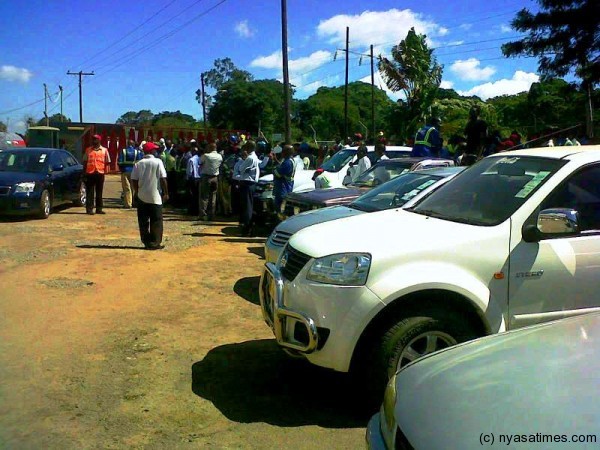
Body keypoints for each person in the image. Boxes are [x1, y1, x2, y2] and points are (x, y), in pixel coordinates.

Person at [131, 142, 168, 250]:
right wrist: (166, 193)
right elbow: (163, 178)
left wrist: (137, 191)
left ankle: (146, 241)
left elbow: (134, 179)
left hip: (142, 196)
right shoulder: (158, 162)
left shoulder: (138, 163)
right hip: (155, 196)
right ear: (152, 151)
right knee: (156, 220)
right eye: (155, 150)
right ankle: (155, 242)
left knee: (143, 221)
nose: (156, 151)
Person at [82, 134, 111, 215]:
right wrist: (84, 173)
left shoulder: (104, 150)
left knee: (99, 192)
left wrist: (106, 172)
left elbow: (108, 161)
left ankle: (99, 209)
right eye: (93, 139)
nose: (94, 141)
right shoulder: (88, 150)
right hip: (90, 173)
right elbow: (85, 161)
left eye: (96, 139)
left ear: (99, 140)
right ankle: (89, 209)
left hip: (100, 173)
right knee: (89, 192)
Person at [237, 140, 260, 236]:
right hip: (251, 183)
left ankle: (247, 230)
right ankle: (247, 228)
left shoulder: (250, 158)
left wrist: (244, 160)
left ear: (249, 148)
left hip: (247, 184)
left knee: (247, 207)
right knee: (248, 205)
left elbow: (240, 169)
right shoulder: (254, 157)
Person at [199, 142, 223, 221]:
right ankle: (212, 214)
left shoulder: (206, 156)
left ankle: (203, 214)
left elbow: (200, 162)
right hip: (215, 177)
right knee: (213, 197)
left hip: (206, 177)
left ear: (210, 148)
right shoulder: (220, 156)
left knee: (204, 196)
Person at [118, 139, 142, 209]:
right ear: (133, 144)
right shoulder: (137, 152)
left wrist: (122, 169)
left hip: (125, 171)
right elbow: (139, 162)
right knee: (134, 187)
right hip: (134, 172)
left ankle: (128, 203)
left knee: (126, 188)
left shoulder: (123, 151)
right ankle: (134, 202)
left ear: (127, 144)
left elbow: (120, 162)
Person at [273, 144, 296, 215]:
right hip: (286, 186)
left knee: (280, 207)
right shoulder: (290, 160)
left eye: (283, 151)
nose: (282, 152)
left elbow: (278, 174)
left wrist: (274, 169)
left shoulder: (287, 162)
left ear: (286, 153)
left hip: (283, 187)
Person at [186, 145, 201, 216]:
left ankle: (192, 211)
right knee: (198, 195)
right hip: (199, 179)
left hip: (193, 179)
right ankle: (198, 210)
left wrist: (187, 179)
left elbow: (189, 171)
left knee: (192, 195)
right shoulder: (200, 159)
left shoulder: (191, 160)